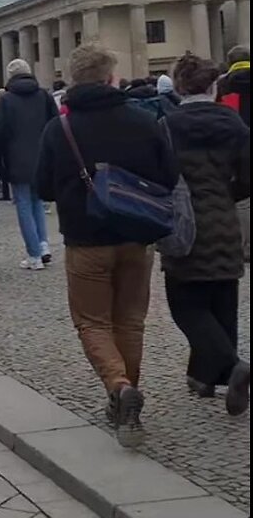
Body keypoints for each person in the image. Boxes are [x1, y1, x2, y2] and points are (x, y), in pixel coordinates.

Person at [35, 44, 178, 447]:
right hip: (137, 234)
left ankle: (119, 387)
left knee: (92, 322)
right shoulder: (144, 119)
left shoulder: (58, 129)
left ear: (74, 80)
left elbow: (42, 185)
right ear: (111, 77)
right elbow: (169, 175)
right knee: (130, 321)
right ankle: (125, 401)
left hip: (86, 239)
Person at [159, 54, 251, 415]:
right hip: (224, 220)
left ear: (179, 87)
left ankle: (231, 369)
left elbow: (160, 173)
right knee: (222, 303)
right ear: (214, 86)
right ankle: (207, 378)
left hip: (185, 224)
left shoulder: (168, 125)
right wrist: (228, 195)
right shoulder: (235, 125)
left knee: (187, 306)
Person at [0, 59, 58, 269]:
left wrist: (1, 158)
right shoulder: (44, 95)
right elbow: (54, 124)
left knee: (23, 205)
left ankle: (34, 254)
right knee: (37, 201)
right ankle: (43, 243)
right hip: (43, 156)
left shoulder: (6, 100)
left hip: (17, 157)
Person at [216, 44, 250, 262]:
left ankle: (244, 246)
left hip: (236, 143)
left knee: (243, 197)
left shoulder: (223, 85)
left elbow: (223, 114)